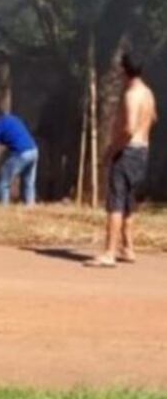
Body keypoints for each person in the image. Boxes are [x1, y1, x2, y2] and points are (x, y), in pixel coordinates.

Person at [86, 53, 157, 268]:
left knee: (115, 202)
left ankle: (109, 252)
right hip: (142, 150)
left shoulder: (131, 95)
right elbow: (153, 118)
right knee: (128, 199)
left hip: (127, 151)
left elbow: (129, 129)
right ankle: (128, 247)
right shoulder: (148, 93)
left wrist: (112, 149)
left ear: (124, 70)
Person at [0, 106, 38, 206]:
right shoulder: (14, 119)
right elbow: (9, 137)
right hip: (33, 150)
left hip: (22, 153)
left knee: (4, 181)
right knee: (29, 182)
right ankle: (30, 206)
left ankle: (3, 207)